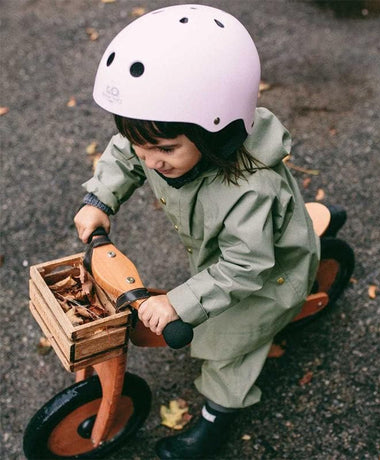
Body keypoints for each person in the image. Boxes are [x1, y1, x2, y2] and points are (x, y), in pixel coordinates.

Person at [74, 4, 320, 458]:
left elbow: (245, 266)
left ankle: (215, 419)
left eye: (164, 149)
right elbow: (124, 154)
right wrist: (100, 198)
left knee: (229, 344)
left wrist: (179, 302)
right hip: (222, 257)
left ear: (217, 135)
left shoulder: (251, 191)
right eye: (142, 145)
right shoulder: (159, 141)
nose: (149, 160)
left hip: (264, 278)